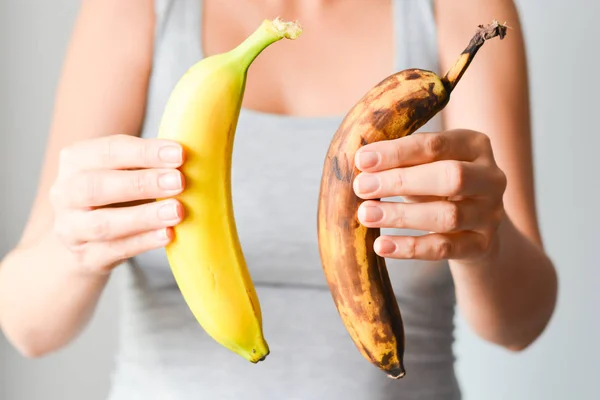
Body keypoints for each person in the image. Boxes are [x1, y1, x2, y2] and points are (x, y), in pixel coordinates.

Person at [0, 0, 558, 398]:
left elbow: (521, 326)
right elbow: (28, 326)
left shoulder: (458, 9)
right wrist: (74, 246)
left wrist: (488, 240)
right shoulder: (139, 9)